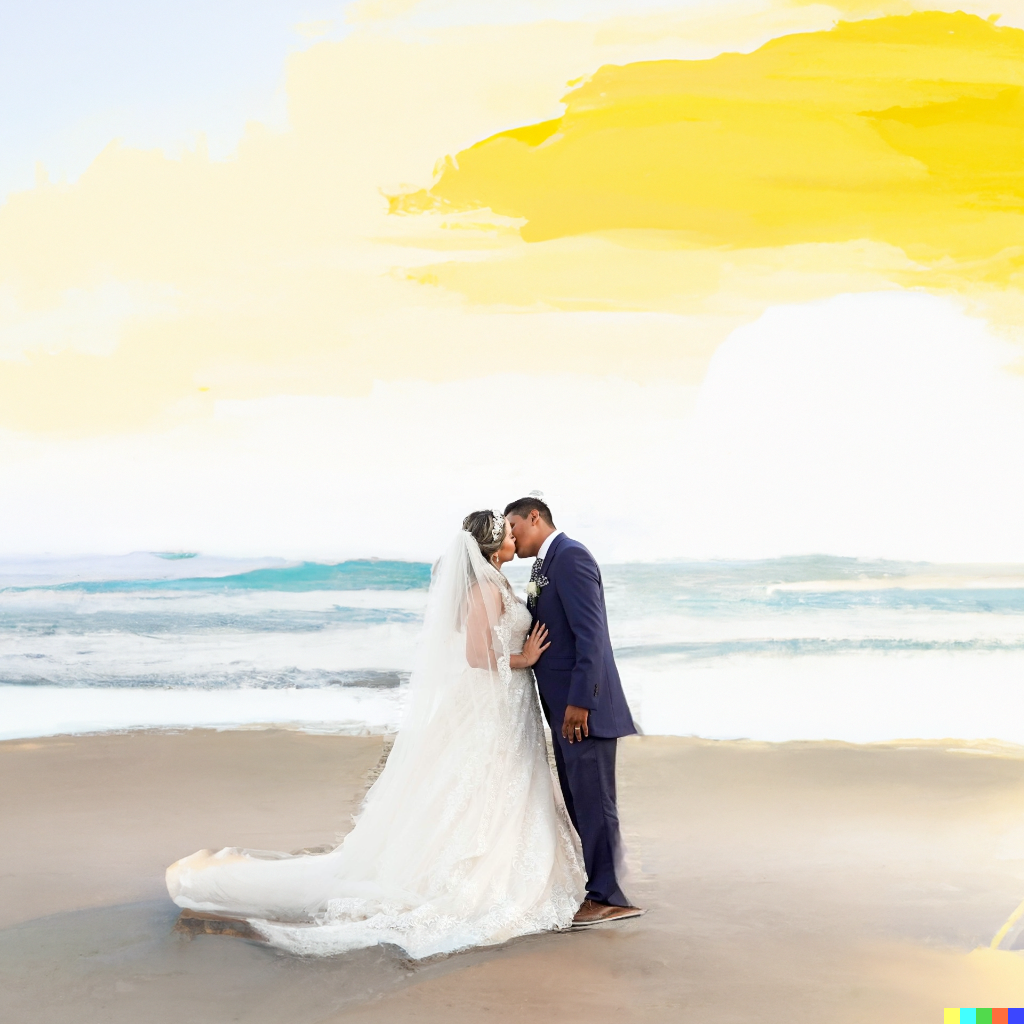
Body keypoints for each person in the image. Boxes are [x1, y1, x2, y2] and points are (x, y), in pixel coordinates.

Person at [166, 511, 586, 958]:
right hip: (495, 697)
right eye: (507, 532)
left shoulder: (497, 582)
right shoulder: (483, 588)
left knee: (508, 779)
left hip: (507, 702)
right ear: (493, 546)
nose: (513, 536)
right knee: (485, 780)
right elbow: (476, 655)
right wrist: (524, 658)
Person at [504, 494, 644, 926]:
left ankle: (609, 896)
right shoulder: (542, 565)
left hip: (584, 712)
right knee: (580, 801)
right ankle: (602, 887)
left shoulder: (571, 556)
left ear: (535, 517)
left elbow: (592, 636)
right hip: (564, 711)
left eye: (515, 527)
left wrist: (581, 702)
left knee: (595, 803)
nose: (511, 537)